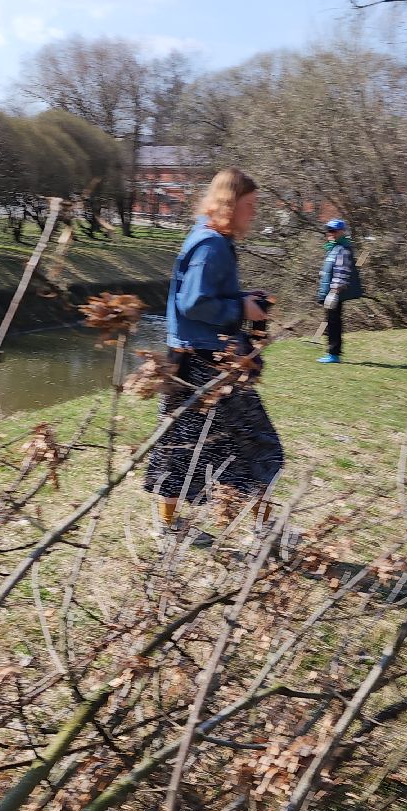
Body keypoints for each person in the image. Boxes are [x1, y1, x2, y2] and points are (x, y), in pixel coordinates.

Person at [145, 167, 285, 545]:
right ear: (230, 203)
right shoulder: (212, 246)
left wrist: (240, 300)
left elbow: (195, 299)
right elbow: (193, 302)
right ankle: (265, 531)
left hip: (186, 359)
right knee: (256, 444)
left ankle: (167, 526)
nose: (254, 213)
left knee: (179, 445)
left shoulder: (205, 237)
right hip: (208, 366)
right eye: (250, 205)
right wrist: (242, 311)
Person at [316, 219, 360, 363]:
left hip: (334, 292)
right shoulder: (334, 248)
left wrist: (334, 292)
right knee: (331, 321)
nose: (331, 233)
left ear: (342, 232)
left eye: (334, 231)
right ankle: (332, 352)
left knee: (334, 322)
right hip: (330, 291)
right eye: (329, 230)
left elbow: (341, 272)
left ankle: (334, 354)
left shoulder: (342, 249)